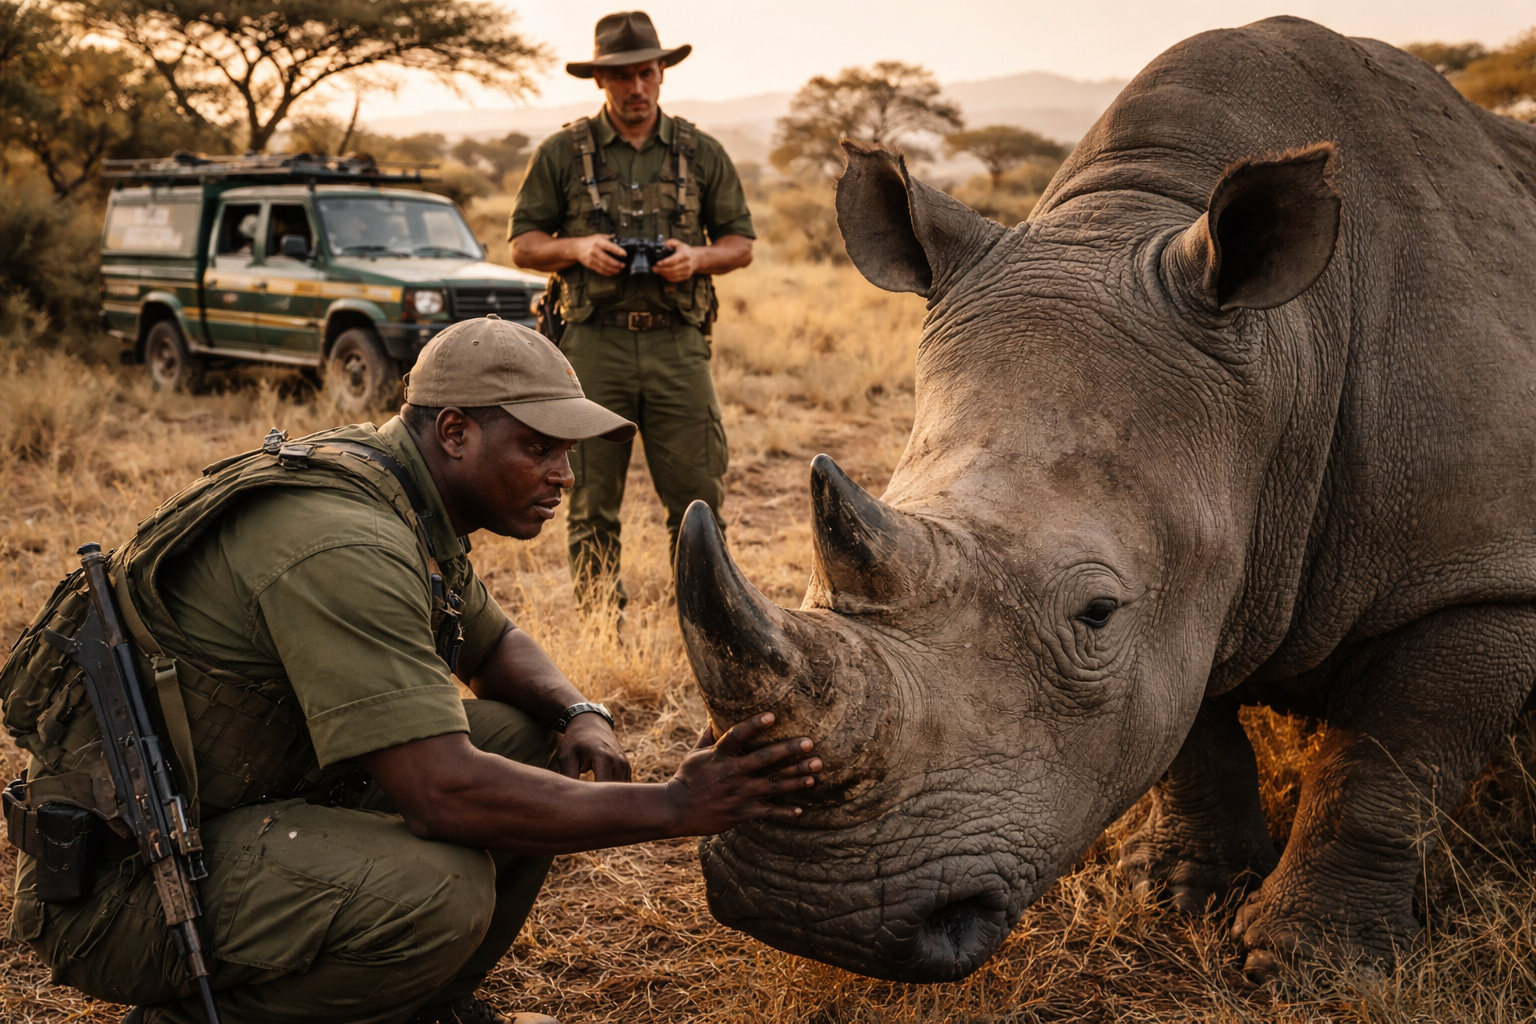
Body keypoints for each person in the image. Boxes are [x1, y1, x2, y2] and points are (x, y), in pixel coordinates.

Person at [2, 317, 819, 1024]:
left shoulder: (399, 488)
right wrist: (676, 806)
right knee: (441, 888)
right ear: (456, 431)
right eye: (539, 447)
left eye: (567, 452)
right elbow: (443, 790)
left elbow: (494, 646)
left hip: (242, 800)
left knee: (532, 737)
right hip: (131, 890)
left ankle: (422, 1003)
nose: (565, 476)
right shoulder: (343, 540)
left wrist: (579, 711)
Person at [510, 10, 755, 611]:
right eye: (621, 77)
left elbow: (740, 245)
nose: (636, 88)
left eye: (646, 73)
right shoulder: (562, 152)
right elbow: (522, 244)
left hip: (678, 345)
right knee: (590, 498)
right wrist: (576, 248)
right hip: (593, 346)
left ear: (662, 73)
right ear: (600, 80)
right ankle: (601, 630)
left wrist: (695, 259)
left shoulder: (703, 152)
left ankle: (708, 624)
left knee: (699, 498)